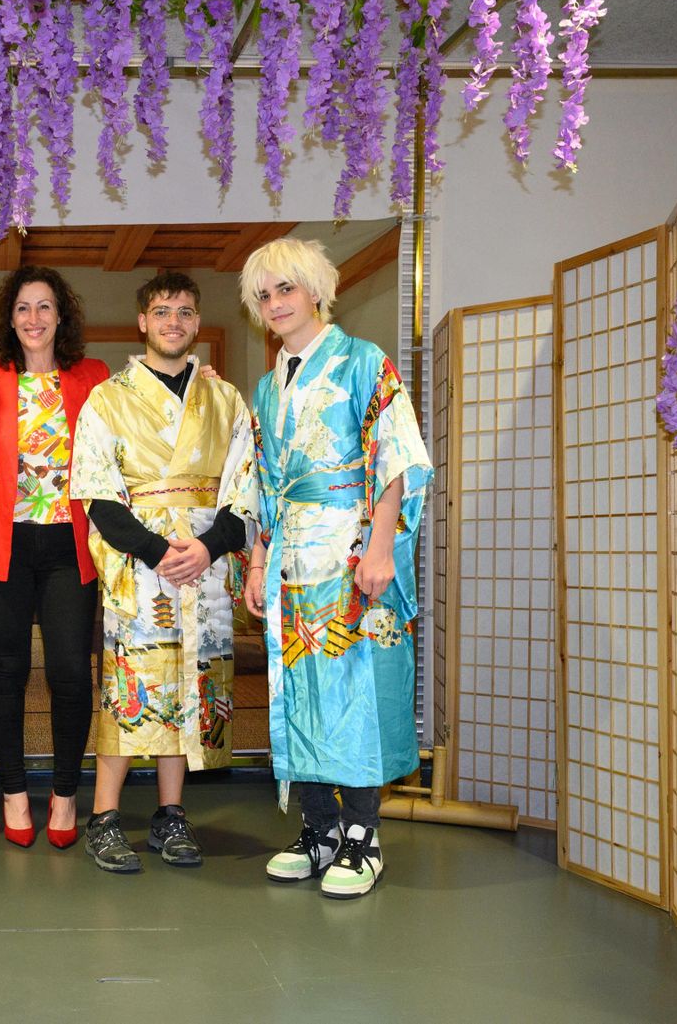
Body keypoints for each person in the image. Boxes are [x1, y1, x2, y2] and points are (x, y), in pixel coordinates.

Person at [240, 237, 432, 899]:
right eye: (263, 295)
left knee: (355, 687)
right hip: (292, 554)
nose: (275, 304)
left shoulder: (363, 363)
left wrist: (381, 547)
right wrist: (257, 556)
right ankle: (318, 828)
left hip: (350, 549)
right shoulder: (268, 387)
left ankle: (362, 835)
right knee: (301, 690)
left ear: (316, 290)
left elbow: (395, 457)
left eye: (285, 289)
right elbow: (263, 483)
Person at [69, 272, 259, 873]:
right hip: (141, 566)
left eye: (183, 311)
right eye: (160, 311)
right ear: (142, 323)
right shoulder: (109, 398)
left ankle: (170, 816)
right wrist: (156, 551)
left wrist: (208, 549)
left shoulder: (226, 399)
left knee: (190, 688)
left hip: (204, 565)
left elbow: (246, 488)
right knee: (132, 687)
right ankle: (103, 815)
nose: (172, 321)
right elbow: (96, 494)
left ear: (197, 323)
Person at [0, 266, 110, 848]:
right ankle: (14, 793)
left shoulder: (92, 376)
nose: (33, 319)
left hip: (69, 541)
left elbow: (137, 416)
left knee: (72, 671)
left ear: (61, 315)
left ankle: (67, 793)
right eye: (22, 308)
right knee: (6, 669)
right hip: (2, 543)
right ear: (9, 318)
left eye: (44, 307)